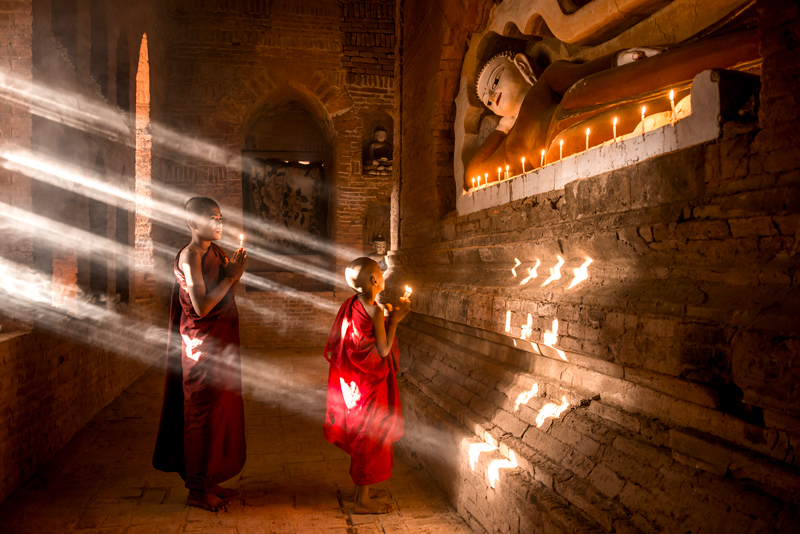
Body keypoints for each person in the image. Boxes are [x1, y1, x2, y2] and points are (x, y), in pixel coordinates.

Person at [466, 30, 759, 182]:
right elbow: (473, 174)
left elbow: (577, 74)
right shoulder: (508, 144)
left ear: (520, 65)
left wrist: (620, 58)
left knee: (651, 76)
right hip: (563, 148)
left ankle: (756, 47)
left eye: (495, 81)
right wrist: (503, 127)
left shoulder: (542, 86)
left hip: (574, 100)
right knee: (651, 111)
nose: (492, 97)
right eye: (487, 100)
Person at [152, 197, 247, 512]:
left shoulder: (214, 252)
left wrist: (232, 272)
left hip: (218, 342)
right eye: (212, 218)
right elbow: (203, 306)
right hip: (201, 346)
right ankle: (196, 489)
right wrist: (231, 276)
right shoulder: (192, 256)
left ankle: (207, 478)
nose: (219, 223)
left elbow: (220, 291)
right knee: (202, 413)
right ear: (193, 223)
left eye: (220, 217)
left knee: (219, 411)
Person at [323, 257, 411, 514]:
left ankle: (363, 489)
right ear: (374, 280)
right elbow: (382, 351)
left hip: (354, 384)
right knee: (369, 437)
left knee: (363, 434)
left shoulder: (350, 305)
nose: (383, 275)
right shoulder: (375, 311)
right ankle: (362, 500)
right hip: (370, 384)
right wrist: (393, 321)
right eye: (380, 272)